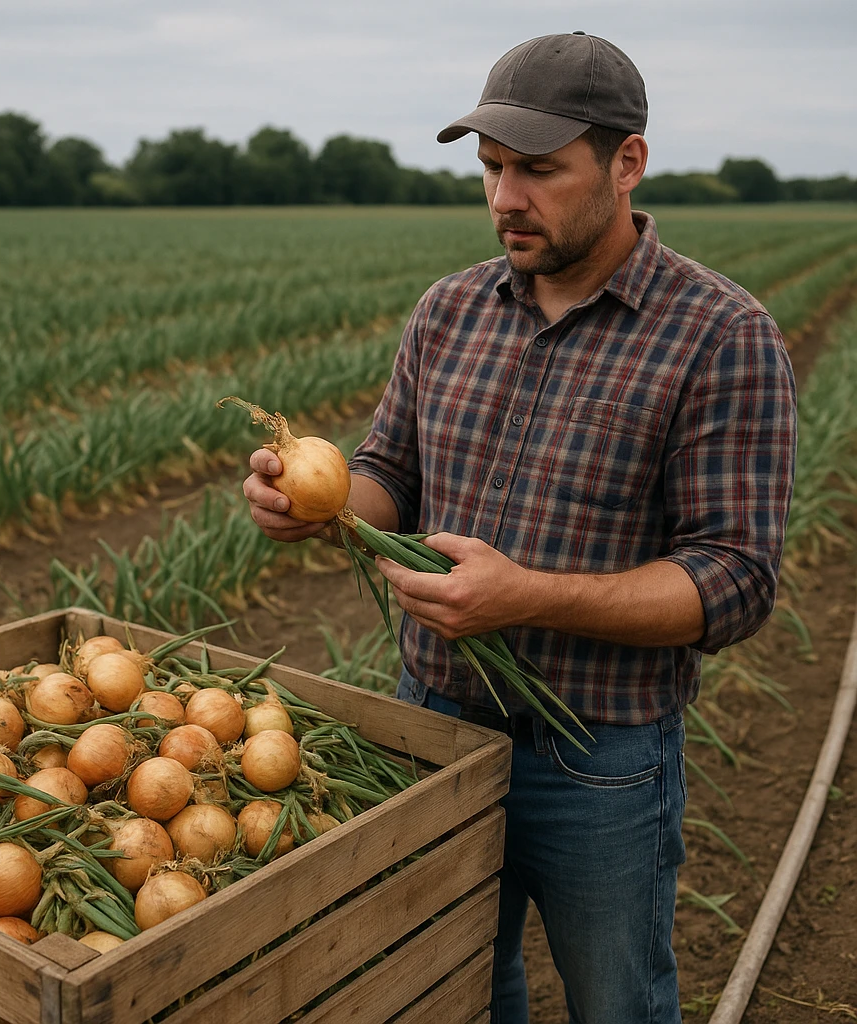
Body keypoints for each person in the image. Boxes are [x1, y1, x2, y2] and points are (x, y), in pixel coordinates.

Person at [242, 31, 796, 1024]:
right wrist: (317, 507)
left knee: (615, 1002)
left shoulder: (721, 334)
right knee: (451, 983)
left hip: (599, 755)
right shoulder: (448, 310)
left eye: (538, 169)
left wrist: (527, 595)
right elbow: (387, 478)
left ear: (626, 161)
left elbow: (732, 577)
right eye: (492, 168)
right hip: (433, 726)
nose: (505, 197)